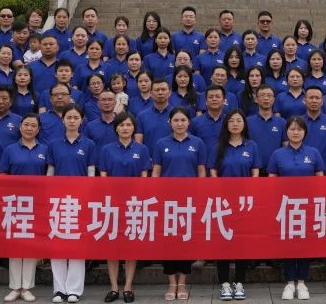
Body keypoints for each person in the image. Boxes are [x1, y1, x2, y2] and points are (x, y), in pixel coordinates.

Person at [152, 107, 207, 300]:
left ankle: (182, 282)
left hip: (189, 201)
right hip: (167, 201)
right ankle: (171, 283)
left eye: (183, 120)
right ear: (170, 123)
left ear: (189, 122)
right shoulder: (161, 143)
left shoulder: (197, 143)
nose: (180, 123)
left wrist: (201, 194)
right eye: (176, 120)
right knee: (168, 241)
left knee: (185, 241)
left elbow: (201, 171)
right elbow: (156, 171)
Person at [268, 117, 324, 300]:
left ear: (305, 132)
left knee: (304, 244)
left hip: (307, 206)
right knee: (288, 244)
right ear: (286, 132)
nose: (296, 132)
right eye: (292, 129)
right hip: (286, 207)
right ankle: (289, 282)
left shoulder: (314, 153)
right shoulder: (278, 154)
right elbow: (271, 181)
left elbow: (320, 179)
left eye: (299, 129)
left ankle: (301, 282)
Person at [99, 113, 150, 303]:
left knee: (130, 245)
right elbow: (103, 175)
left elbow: (144, 176)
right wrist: (109, 197)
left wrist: (138, 198)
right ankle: (114, 287)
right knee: (112, 246)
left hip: (134, 204)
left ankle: (128, 286)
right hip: (112, 204)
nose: (125, 128)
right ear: (116, 128)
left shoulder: (142, 149)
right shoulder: (107, 149)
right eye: (121, 125)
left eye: (128, 125)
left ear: (133, 128)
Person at [47, 105, 95, 304]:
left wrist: (88, 196)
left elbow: (91, 172)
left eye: (76, 117)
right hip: (58, 200)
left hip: (79, 201)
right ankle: (59, 289)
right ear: (63, 120)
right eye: (69, 117)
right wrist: (49, 194)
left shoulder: (89, 144)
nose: (72, 121)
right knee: (57, 244)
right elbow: (50, 171)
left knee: (77, 244)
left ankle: (74, 289)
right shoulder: (53, 144)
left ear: (81, 120)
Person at [210, 110, 261, 300]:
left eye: (239, 120)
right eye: (231, 121)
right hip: (223, 202)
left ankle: (239, 282)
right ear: (226, 124)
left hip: (244, 202)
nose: (235, 124)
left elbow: (255, 170)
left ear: (244, 124)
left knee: (241, 242)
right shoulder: (218, 147)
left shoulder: (251, 146)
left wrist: (251, 190)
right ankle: (224, 283)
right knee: (223, 242)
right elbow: (213, 171)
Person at [0, 114, 48, 302]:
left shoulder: (45, 149)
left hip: (36, 203)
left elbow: (50, 174)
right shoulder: (10, 149)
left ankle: (26, 287)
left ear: (38, 129)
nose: (29, 128)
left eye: (33, 126)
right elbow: (3, 174)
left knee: (30, 246)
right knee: (15, 245)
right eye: (26, 125)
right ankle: (14, 287)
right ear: (20, 127)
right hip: (14, 203)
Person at [246, 85, 286, 174]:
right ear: (256, 99)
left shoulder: (282, 122)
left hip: (275, 171)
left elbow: (285, 147)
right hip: (253, 170)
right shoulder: (247, 122)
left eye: (269, 95)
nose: (266, 98)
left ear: (274, 99)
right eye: (262, 95)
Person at [136, 78, 173, 148]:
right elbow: (138, 144)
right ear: (151, 93)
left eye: (163, 89)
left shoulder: (177, 115)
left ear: (170, 92)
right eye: (157, 90)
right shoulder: (142, 116)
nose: (160, 93)